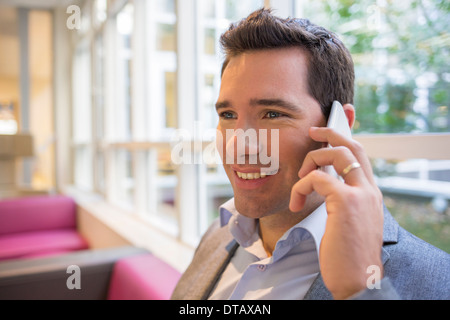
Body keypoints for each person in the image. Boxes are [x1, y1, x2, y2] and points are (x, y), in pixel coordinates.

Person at [171, 8, 450, 300]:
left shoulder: (437, 281)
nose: (237, 146)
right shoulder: (218, 233)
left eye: (272, 114)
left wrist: (359, 291)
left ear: (340, 125)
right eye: (228, 114)